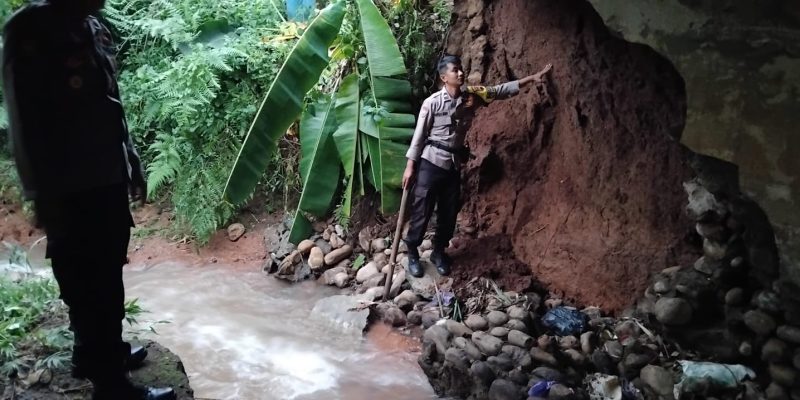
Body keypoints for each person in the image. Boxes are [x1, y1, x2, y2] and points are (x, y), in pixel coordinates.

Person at [2, 1, 175, 399]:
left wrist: (130, 160)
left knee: (108, 271)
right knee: (88, 281)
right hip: (69, 187)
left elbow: (109, 105)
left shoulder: (91, 25)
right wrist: (40, 194)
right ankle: (110, 386)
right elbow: (23, 124)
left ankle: (97, 353)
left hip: (104, 176)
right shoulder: (30, 30)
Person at [402, 55, 552, 278]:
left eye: (461, 69)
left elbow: (499, 90)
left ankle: (438, 252)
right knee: (422, 209)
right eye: (455, 70)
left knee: (449, 211)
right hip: (431, 162)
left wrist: (532, 79)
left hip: (453, 164)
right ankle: (413, 253)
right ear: (444, 77)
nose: (460, 73)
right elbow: (419, 136)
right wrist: (410, 166)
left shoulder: (473, 95)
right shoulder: (432, 103)